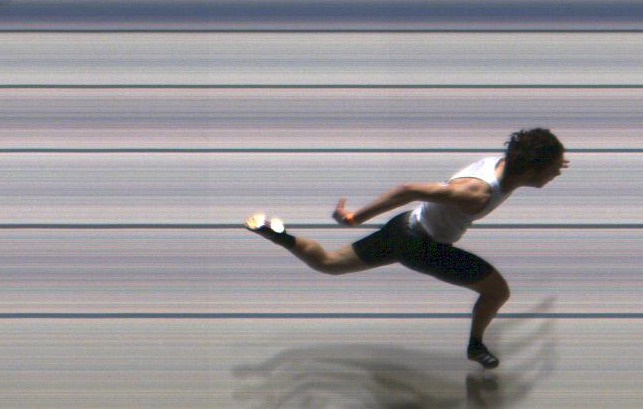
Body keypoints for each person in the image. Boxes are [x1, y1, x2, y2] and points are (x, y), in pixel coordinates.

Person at [244, 128, 569, 369]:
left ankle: (280, 235)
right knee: (497, 292)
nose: (556, 173)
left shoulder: (503, 163)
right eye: (553, 169)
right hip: (423, 247)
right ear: (531, 170)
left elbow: (531, 154)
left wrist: (549, 158)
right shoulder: (476, 193)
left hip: (402, 228)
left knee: (329, 262)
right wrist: (357, 217)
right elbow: (407, 190)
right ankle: (475, 346)